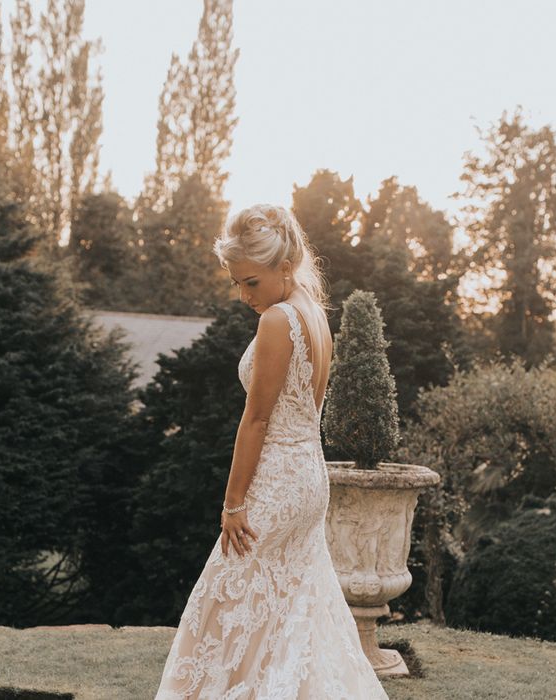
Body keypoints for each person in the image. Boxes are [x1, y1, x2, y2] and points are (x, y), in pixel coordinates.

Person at [154, 204, 389, 699]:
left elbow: (257, 419)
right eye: (237, 283)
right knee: (288, 614)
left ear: (284, 266)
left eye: (251, 282)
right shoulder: (314, 312)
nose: (243, 296)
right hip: (308, 478)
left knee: (221, 606)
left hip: (278, 485)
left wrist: (233, 503)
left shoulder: (280, 320)